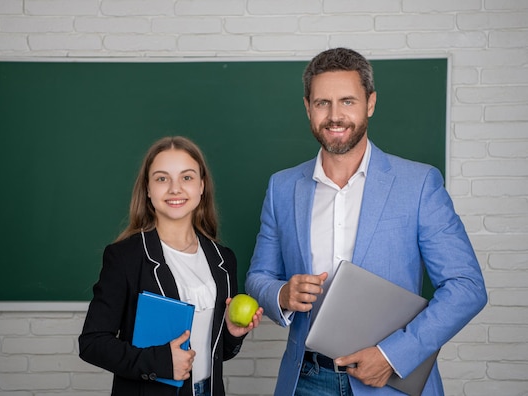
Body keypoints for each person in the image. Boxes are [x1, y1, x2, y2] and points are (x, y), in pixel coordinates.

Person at [245, 48, 487, 396]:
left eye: (347, 101)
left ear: (370, 103)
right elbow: (257, 278)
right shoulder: (282, 188)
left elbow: (466, 286)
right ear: (307, 108)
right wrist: (281, 293)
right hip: (307, 379)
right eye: (322, 103)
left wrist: (393, 355)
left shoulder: (418, 184)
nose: (334, 116)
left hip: (389, 381)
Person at [79, 136, 263, 396]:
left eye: (187, 178)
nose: (175, 189)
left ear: (202, 186)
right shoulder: (125, 257)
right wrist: (161, 363)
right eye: (162, 178)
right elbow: (92, 343)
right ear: (148, 189)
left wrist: (232, 334)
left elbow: (216, 354)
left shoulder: (222, 259)